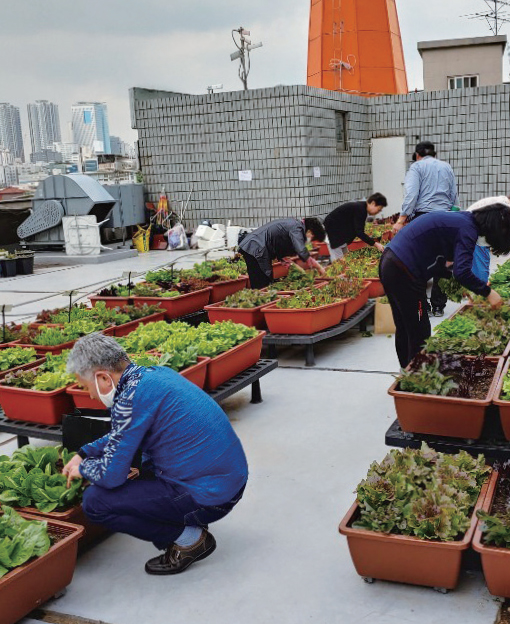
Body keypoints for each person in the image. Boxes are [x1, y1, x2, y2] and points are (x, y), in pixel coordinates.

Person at [63, 333, 248, 576]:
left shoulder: (128, 400)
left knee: (96, 502)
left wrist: (83, 469)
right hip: (228, 481)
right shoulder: (155, 375)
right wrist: (85, 452)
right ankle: (187, 520)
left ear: (103, 377)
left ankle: (191, 540)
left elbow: (111, 476)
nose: (90, 395)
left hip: (211, 496)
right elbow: (123, 434)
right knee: (135, 470)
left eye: (86, 387)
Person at [379, 205, 510, 368]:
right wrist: (488, 292)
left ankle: (407, 372)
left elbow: (441, 263)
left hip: (390, 263)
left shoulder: (463, 221)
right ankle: (415, 375)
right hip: (403, 270)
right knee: (419, 329)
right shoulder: (468, 229)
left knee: (405, 325)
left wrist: (462, 285)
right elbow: (462, 272)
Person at [392, 141, 460, 317]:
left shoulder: (417, 167)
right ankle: (439, 306)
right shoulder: (446, 167)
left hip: (424, 218)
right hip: (445, 218)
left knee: (420, 263)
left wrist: (401, 219)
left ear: (417, 155)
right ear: (434, 154)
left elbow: (411, 194)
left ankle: (424, 306)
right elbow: (454, 196)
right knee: (442, 262)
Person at [239, 217, 327, 289]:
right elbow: (301, 250)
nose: (310, 243)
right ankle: (260, 307)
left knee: (262, 281)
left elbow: (283, 257)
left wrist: (302, 272)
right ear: (310, 232)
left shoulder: (294, 226)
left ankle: (259, 304)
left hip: (253, 247)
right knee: (263, 282)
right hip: (255, 247)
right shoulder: (297, 228)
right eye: (313, 239)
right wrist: (319, 267)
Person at [467, 190, 510, 282]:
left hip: (473, 233)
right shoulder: (505, 207)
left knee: (475, 267)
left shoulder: (502, 202)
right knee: (481, 273)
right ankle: (480, 292)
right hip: (474, 236)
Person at [323, 193, 388, 262]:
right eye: (378, 209)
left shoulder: (361, 207)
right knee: (339, 264)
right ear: (372, 203)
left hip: (339, 235)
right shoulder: (360, 209)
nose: (378, 212)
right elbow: (359, 232)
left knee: (346, 260)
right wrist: (375, 244)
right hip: (334, 235)